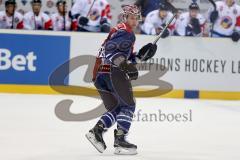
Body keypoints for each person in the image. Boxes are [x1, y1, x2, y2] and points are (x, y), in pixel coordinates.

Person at [85, 5, 157, 155]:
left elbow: (119, 54)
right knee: (129, 105)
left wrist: (141, 56)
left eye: (136, 18)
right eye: (132, 17)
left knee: (117, 108)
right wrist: (124, 65)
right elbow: (112, 52)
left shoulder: (119, 30)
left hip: (99, 74)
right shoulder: (127, 33)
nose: (135, 21)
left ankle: (96, 132)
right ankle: (120, 140)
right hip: (113, 72)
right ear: (125, 18)